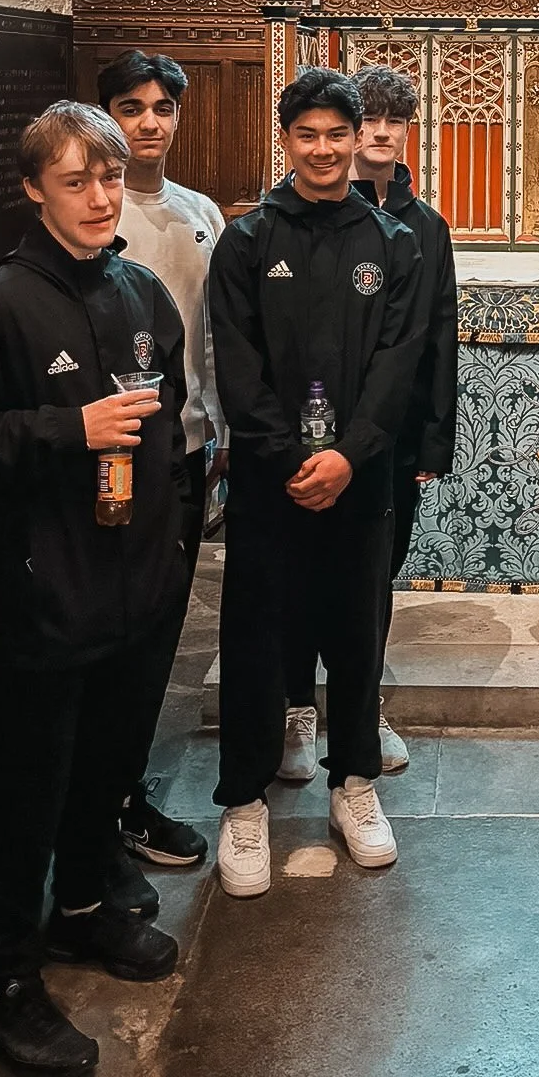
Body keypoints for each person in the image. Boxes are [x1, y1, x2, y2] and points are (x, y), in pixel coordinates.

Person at [0, 102, 189, 1077]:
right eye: (77, 180)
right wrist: (69, 430)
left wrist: (169, 552)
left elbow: (168, 424)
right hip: (47, 586)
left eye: (109, 177)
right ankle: (5, 979)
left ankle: (82, 906)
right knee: (26, 787)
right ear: (34, 188)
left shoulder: (141, 289)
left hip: (136, 584)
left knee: (105, 768)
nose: (101, 196)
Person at [209, 68, 423, 891]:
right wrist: (289, 457)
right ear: (286, 139)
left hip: (359, 481)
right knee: (256, 638)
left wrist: (350, 454)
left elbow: (397, 365)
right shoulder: (247, 241)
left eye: (338, 133)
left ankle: (355, 783)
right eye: (309, 134)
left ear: (357, 137)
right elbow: (237, 364)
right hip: (271, 482)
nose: (325, 149)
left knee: (358, 634)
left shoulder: (392, 243)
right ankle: (244, 801)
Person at [281, 65, 457, 783]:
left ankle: (361, 707)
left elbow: (438, 336)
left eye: (395, 120)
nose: (382, 133)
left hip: (391, 440)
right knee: (301, 578)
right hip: (311, 435)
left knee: (371, 582)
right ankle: (296, 707)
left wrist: (434, 438)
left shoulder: (425, 226)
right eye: (372, 119)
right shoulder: (302, 215)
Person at [99, 48, 228, 869]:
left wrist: (216, 429)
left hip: (184, 448)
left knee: (158, 632)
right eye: (131, 107)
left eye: (162, 108)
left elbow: (212, 335)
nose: (149, 123)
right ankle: (102, 800)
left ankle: (125, 790)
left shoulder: (200, 213)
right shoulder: (93, 210)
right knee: (112, 632)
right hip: (109, 453)